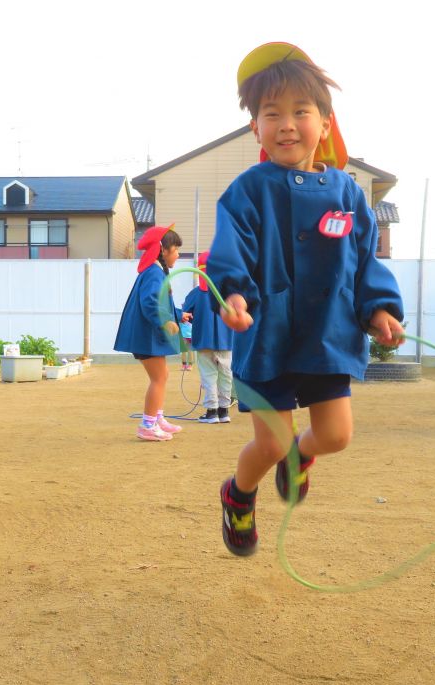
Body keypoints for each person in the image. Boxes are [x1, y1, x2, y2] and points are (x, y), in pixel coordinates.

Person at [206, 42, 405, 556]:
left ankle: (301, 455)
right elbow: (231, 251)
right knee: (266, 443)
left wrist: (379, 308)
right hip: (268, 335)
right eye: (271, 114)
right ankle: (238, 494)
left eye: (301, 111)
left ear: (326, 122)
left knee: (336, 436)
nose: (287, 124)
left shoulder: (347, 193)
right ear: (256, 128)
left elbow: (365, 261)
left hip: (327, 335)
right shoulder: (247, 190)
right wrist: (234, 296)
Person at [114, 224, 191, 442]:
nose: (177, 254)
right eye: (175, 249)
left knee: (162, 376)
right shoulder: (154, 273)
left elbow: (160, 302)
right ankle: (147, 425)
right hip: (146, 336)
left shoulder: (155, 271)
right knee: (158, 378)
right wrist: (165, 321)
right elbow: (149, 303)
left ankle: (157, 419)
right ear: (162, 250)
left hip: (148, 335)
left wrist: (177, 314)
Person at [181, 251, 235, 424]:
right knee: (226, 375)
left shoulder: (196, 293)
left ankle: (211, 412)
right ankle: (224, 410)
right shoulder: (229, 293)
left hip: (204, 342)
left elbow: (185, 313)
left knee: (209, 376)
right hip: (226, 342)